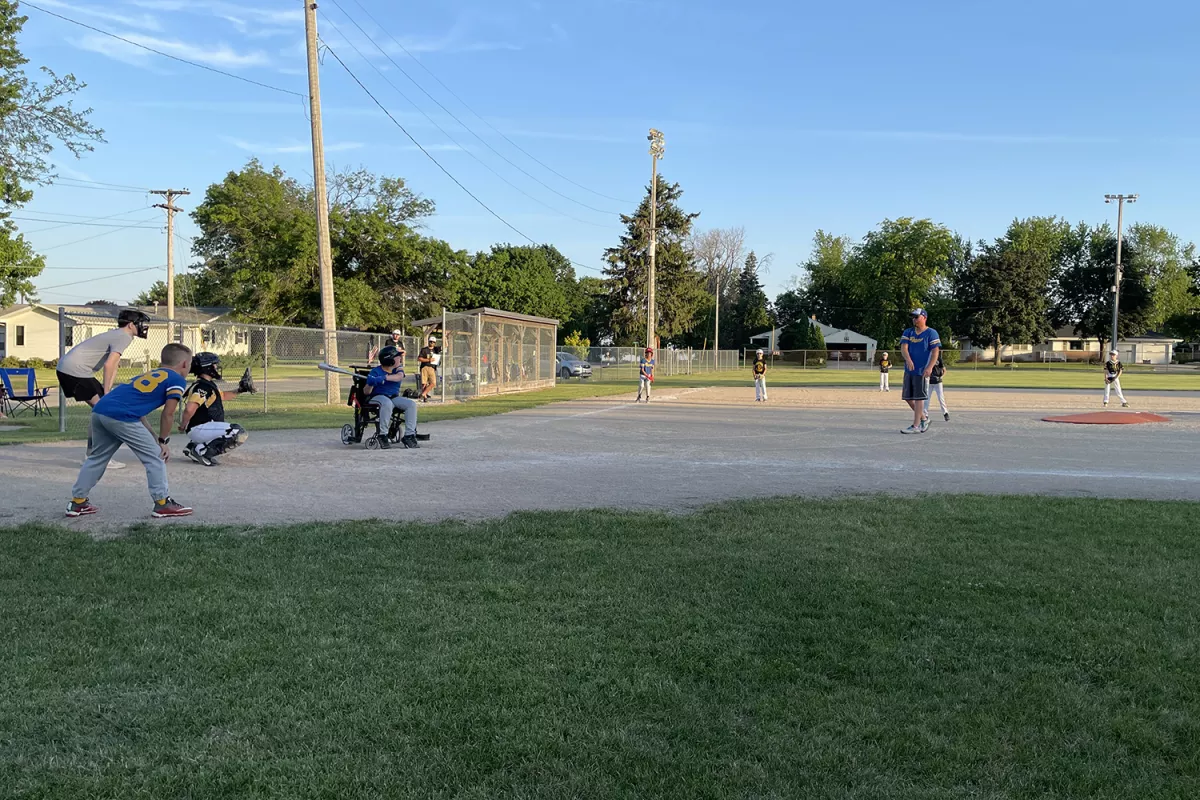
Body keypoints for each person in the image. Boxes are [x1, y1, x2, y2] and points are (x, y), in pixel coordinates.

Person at [65, 342, 194, 519]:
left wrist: (155, 437)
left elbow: (138, 413)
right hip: (121, 416)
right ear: (185, 364)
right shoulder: (177, 379)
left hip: (100, 410)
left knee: (96, 457)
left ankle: (77, 502)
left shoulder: (147, 374)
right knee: (156, 457)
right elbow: (168, 414)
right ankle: (163, 504)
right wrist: (163, 442)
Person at [56, 308, 152, 470]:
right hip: (76, 371)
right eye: (139, 323)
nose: (142, 327)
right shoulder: (124, 336)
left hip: (75, 370)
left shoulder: (119, 335)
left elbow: (113, 365)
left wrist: (108, 389)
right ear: (130, 325)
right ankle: (95, 457)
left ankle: (93, 455)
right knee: (105, 412)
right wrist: (107, 392)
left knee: (100, 412)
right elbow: (108, 364)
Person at [179, 352, 253, 467]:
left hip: (200, 428)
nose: (216, 367)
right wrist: (183, 424)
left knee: (229, 430)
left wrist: (240, 389)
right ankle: (202, 451)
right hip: (200, 428)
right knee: (238, 432)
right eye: (214, 365)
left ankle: (193, 446)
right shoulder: (202, 387)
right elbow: (189, 409)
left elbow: (223, 396)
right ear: (207, 367)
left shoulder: (207, 384)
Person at [365, 345, 420, 449]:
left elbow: (398, 377)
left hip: (393, 397)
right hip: (378, 397)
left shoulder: (398, 369)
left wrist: (385, 378)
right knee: (387, 403)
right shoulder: (375, 372)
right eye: (397, 357)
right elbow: (366, 392)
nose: (399, 358)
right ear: (389, 360)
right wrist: (371, 383)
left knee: (411, 404)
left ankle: (409, 435)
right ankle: (383, 435)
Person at [900, 308, 941, 434]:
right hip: (909, 370)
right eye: (913, 317)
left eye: (916, 317)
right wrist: (908, 360)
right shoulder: (909, 332)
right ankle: (924, 418)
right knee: (907, 397)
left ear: (924, 317)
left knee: (919, 398)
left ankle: (916, 426)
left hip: (922, 371)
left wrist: (929, 367)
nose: (914, 319)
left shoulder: (931, 333)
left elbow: (935, 352)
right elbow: (904, 348)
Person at [923, 355, 950, 422]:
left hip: (938, 382)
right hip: (929, 381)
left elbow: (944, 369)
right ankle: (925, 414)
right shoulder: (925, 358)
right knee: (926, 398)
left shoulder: (938, 358)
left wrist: (941, 377)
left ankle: (945, 413)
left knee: (941, 398)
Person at [417, 334, 439, 402]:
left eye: (433, 342)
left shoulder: (436, 349)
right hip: (425, 367)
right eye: (430, 341)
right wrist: (428, 360)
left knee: (433, 383)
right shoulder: (424, 350)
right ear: (429, 342)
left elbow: (445, 345)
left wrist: (445, 337)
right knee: (424, 383)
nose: (432, 343)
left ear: (435, 343)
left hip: (432, 368)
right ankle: (425, 398)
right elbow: (419, 358)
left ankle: (423, 394)